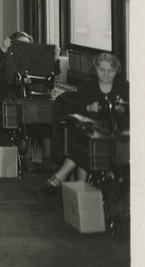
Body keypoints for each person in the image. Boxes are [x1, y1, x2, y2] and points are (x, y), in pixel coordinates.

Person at [41, 52, 128, 193]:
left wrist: (123, 109)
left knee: (85, 145)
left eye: (111, 71)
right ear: (95, 69)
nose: (106, 74)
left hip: (117, 134)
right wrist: (89, 108)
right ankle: (78, 187)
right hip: (95, 134)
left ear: (117, 70)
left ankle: (63, 176)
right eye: (102, 70)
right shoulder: (87, 86)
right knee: (86, 142)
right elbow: (76, 111)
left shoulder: (124, 88)